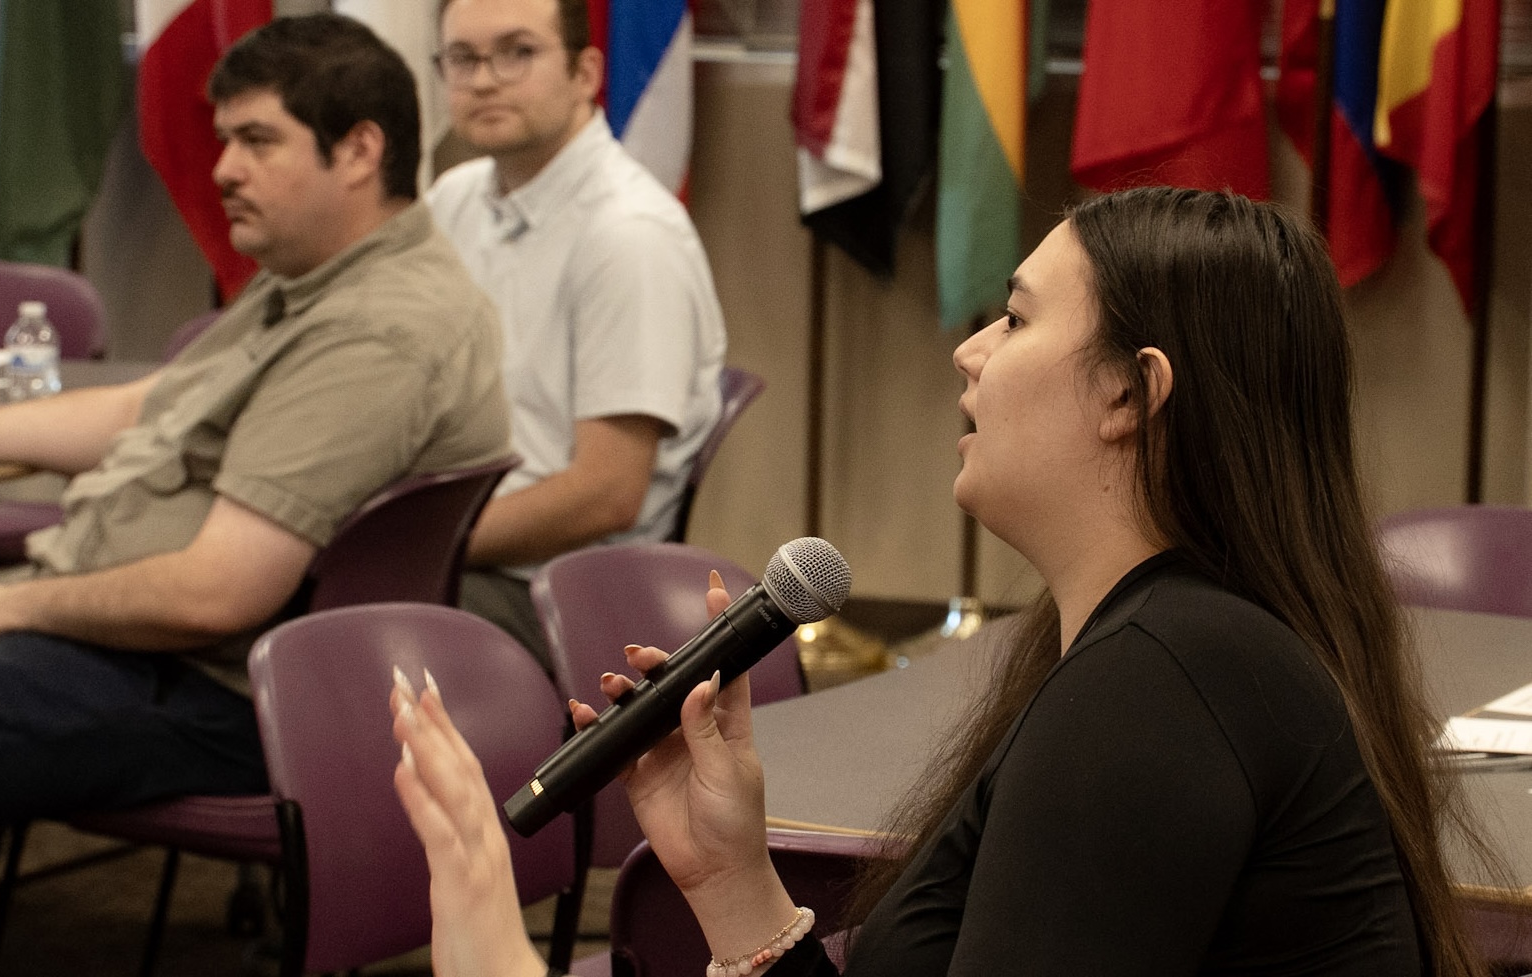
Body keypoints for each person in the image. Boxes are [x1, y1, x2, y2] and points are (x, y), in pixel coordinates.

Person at [390, 187, 1494, 975]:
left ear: (1129, 395)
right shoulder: (1140, 647)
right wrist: (730, 878)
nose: (968, 351)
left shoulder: (1166, 677)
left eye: (1013, 318)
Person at [0, 13, 511, 837]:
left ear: (357, 150)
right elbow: (146, 409)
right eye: (224, 140)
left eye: (256, 141)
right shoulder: (316, 276)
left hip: (208, 687)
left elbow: (216, 593)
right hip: (121, 649)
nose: (222, 170)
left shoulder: (380, 329)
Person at [426, 0, 726, 665]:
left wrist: (416, 541)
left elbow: (605, 494)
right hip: (464, 550)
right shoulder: (453, 198)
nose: (483, 80)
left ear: (585, 73)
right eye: (462, 58)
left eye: (516, 52)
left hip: (560, 593)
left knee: (306, 635)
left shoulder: (626, 236)